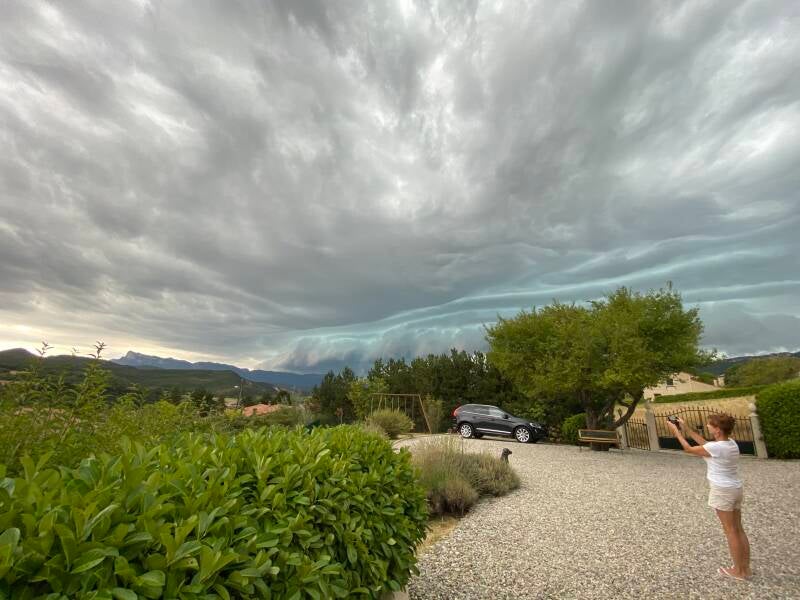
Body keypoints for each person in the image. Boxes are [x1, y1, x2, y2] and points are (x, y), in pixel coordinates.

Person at [666, 414, 751, 581]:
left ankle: (738, 571)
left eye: (710, 425)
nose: (708, 427)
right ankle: (745, 567)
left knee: (730, 531)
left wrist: (676, 432)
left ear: (717, 430)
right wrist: (686, 427)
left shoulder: (717, 448)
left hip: (722, 491)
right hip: (735, 488)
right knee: (738, 529)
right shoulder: (730, 443)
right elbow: (705, 444)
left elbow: (689, 449)